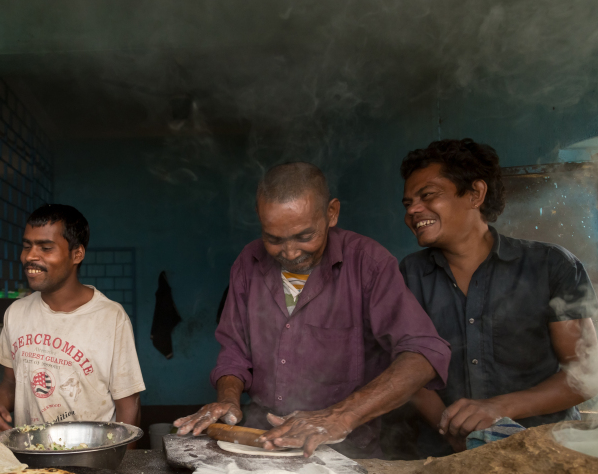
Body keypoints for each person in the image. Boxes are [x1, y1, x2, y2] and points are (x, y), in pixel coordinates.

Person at [174, 163, 451, 458]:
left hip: (346, 448)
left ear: (331, 213)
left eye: (304, 237)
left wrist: (339, 417)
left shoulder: (367, 263)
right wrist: (228, 399)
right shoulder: (248, 262)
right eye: (274, 239)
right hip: (264, 438)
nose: (290, 253)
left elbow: (423, 354)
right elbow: (234, 350)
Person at [400, 138, 598, 456]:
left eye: (428, 196)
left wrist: (499, 408)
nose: (413, 210)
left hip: (545, 450)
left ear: (476, 193)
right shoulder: (410, 275)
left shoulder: (550, 265)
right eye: (408, 203)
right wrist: (453, 431)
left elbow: (587, 373)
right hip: (446, 455)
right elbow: (408, 370)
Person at [0, 204, 145, 443]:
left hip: (91, 458)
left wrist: (119, 464)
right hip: (31, 460)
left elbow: (129, 405)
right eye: (27, 246)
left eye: (46, 248)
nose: (31, 257)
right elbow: (10, 383)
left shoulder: (110, 317)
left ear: (77, 254)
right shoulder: (16, 312)